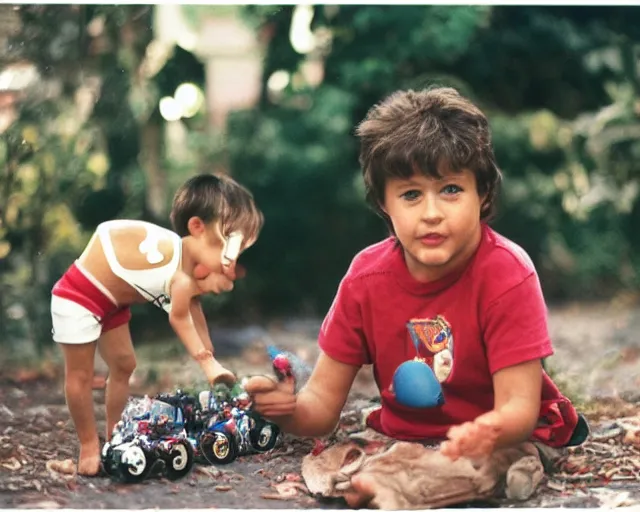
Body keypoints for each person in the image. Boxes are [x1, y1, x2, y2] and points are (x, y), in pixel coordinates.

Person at [244, 87, 586, 506]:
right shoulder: (365, 279)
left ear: (483, 195)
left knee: (482, 461)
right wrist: (287, 409)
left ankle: (414, 484)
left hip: (493, 436)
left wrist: (489, 430)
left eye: (451, 189)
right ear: (384, 204)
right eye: (410, 194)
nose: (431, 213)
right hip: (402, 435)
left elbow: (519, 406)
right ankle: (396, 476)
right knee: (347, 460)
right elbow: (321, 408)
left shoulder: (508, 275)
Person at [50, 173, 263, 476]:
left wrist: (213, 359)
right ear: (197, 228)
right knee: (80, 375)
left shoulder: (183, 269)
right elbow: (180, 318)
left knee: (124, 364)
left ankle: (115, 435)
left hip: (112, 302)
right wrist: (207, 363)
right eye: (227, 248)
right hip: (78, 295)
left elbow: (194, 310)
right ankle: (88, 444)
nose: (230, 262)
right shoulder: (177, 273)